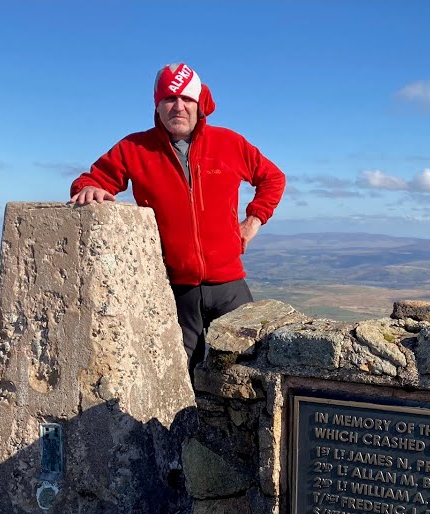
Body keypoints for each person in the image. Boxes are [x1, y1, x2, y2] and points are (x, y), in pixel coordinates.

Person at [71, 62, 286, 374]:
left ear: (199, 105)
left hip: (229, 284)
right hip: (173, 287)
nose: (178, 106)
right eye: (169, 99)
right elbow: (91, 180)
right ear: (157, 106)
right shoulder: (135, 147)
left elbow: (273, 178)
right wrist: (89, 188)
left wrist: (253, 221)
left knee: (247, 372)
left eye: (186, 99)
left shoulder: (229, 143)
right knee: (176, 375)